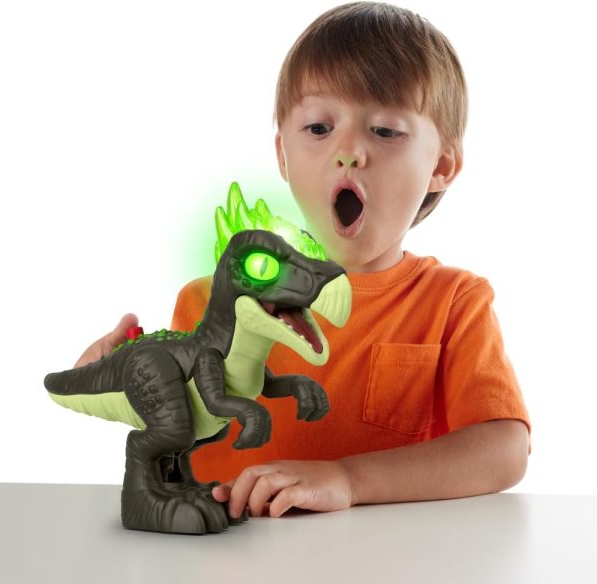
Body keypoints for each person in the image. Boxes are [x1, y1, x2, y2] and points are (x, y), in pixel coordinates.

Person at [74, 2, 531, 520]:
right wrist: (110, 376)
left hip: (386, 556)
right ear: (283, 157)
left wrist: (349, 479)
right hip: (221, 549)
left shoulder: (453, 302)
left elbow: (505, 450)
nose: (348, 151)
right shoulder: (205, 301)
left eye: (385, 130)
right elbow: (173, 427)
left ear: (441, 165)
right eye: (318, 128)